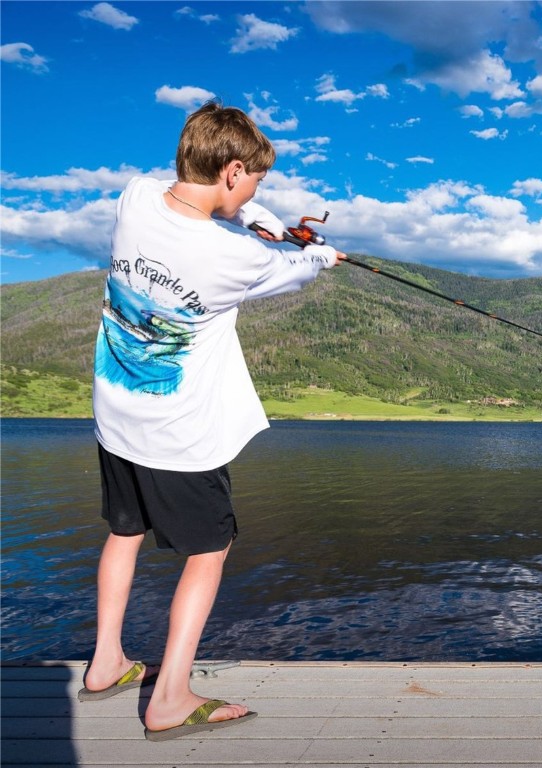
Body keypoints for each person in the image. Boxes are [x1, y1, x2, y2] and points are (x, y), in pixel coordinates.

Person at [79, 100, 344, 741]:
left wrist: (256, 214)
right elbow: (295, 268)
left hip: (116, 415)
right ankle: (168, 697)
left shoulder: (135, 197)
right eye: (255, 179)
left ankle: (104, 663)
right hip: (179, 436)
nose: (257, 191)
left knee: (126, 530)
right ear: (231, 171)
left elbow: (216, 205)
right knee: (209, 549)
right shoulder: (237, 262)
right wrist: (321, 254)